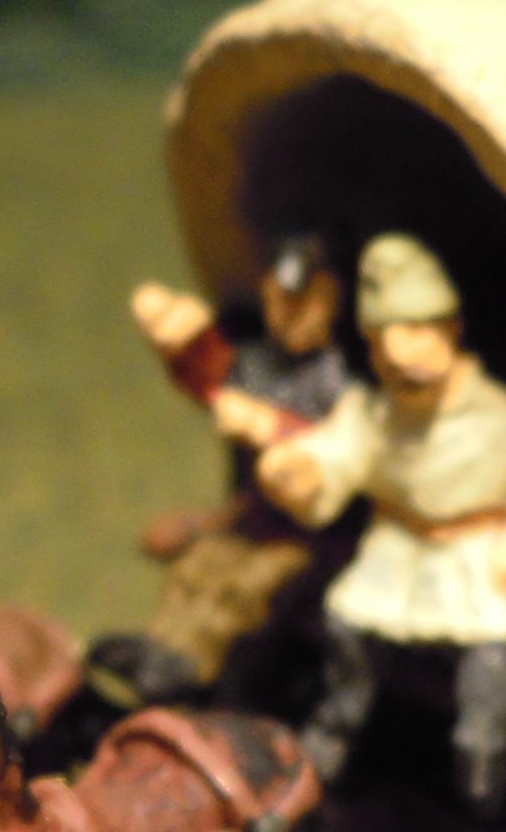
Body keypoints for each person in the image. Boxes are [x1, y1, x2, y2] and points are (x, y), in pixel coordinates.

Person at [256, 232, 506, 819]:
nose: (402, 361)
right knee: (348, 629)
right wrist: (302, 474)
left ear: (452, 329)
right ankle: (338, 724)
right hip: (397, 550)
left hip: (474, 556)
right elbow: (336, 455)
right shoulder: (371, 414)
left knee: (491, 657)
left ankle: (482, 755)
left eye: (419, 334)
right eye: (382, 346)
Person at [102, 234, 357, 698]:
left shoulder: (342, 380)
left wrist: (270, 427)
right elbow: (211, 377)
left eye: (300, 303)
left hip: (325, 536)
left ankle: (199, 677)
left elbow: (350, 454)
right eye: (276, 301)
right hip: (259, 518)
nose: (284, 316)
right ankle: (160, 650)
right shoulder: (260, 364)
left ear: (330, 300)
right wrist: (180, 344)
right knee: (199, 563)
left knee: (242, 588)